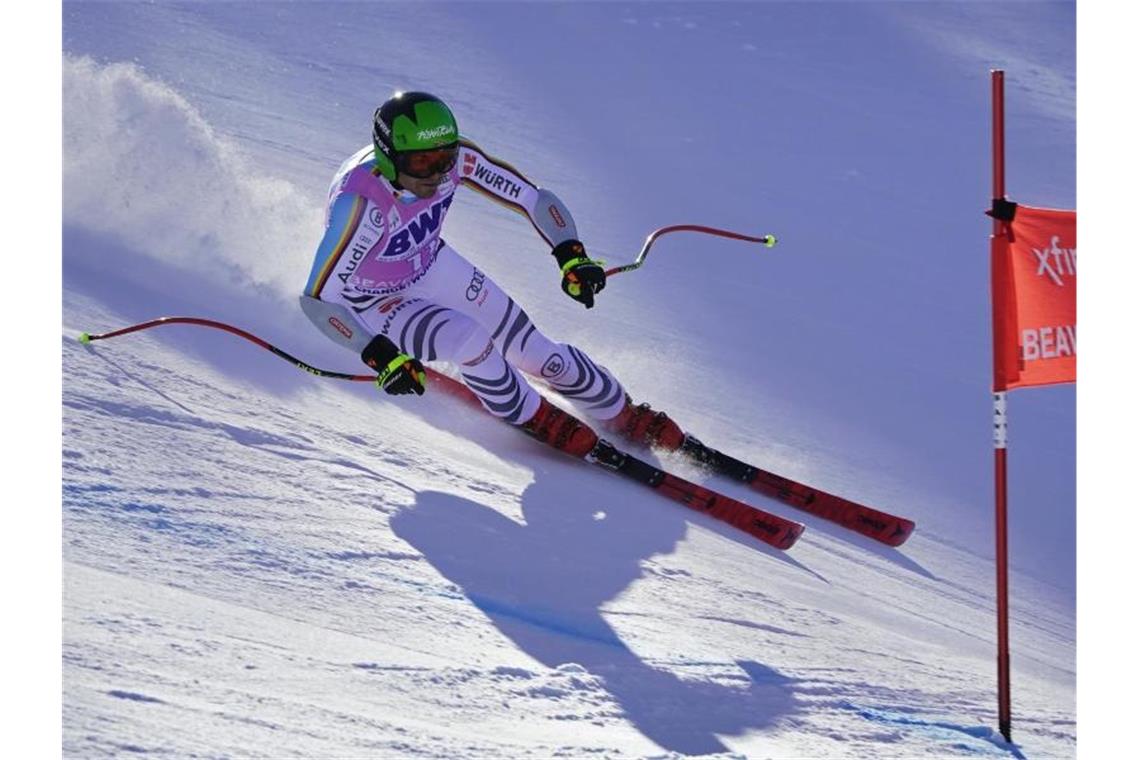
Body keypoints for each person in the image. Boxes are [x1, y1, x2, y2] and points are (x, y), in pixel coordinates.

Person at [300, 90, 683, 458]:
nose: (436, 173)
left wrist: (571, 254)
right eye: (421, 163)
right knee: (469, 341)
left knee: (538, 352)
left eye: (444, 158)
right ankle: (534, 416)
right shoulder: (361, 206)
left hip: (432, 265)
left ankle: (623, 411)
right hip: (375, 301)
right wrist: (377, 353)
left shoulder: (459, 161)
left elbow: (534, 199)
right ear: (389, 156)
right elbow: (318, 299)